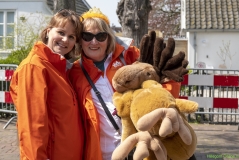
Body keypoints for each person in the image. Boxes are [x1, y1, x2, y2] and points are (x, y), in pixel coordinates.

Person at [69, 7, 191, 160]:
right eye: (87, 36)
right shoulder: (74, 73)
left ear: (108, 38)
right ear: (80, 39)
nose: (94, 42)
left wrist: (160, 112)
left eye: (101, 36)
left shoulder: (128, 56)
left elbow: (163, 75)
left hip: (144, 148)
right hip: (104, 152)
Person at [10, 9, 84, 160]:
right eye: (61, 33)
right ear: (48, 31)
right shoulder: (35, 67)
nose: (65, 40)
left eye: (71, 37)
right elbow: (32, 125)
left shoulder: (60, 69)